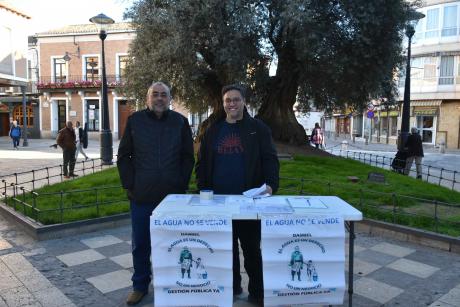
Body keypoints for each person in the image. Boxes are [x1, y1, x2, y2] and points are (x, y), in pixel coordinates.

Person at [196, 84, 279, 305]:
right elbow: (202, 163)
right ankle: (232, 289)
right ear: (223, 105)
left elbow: (270, 159)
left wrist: (271, 185)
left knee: (252, 249)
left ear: (244, 102)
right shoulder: (213, 131)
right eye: (227, 101)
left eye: (236, 99)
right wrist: (202, 188)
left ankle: (258, 292)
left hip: (249, 203)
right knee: (226, 249)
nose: (232, 104)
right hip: (219, 203)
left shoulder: (258, 128)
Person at [117, 81, 195, 305]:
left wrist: (181, 183)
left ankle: (171, 284)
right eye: (155, 95)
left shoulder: (180, 122)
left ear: (169, 99)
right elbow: (124, 157)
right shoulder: (135, 121)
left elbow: (187, 157)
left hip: (172, 198)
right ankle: (140, 285)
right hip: (142, 196)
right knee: (141, 244)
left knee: (172, 243)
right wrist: (130, 185)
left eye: (164, 95)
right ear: (148, 98)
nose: (160, 98)